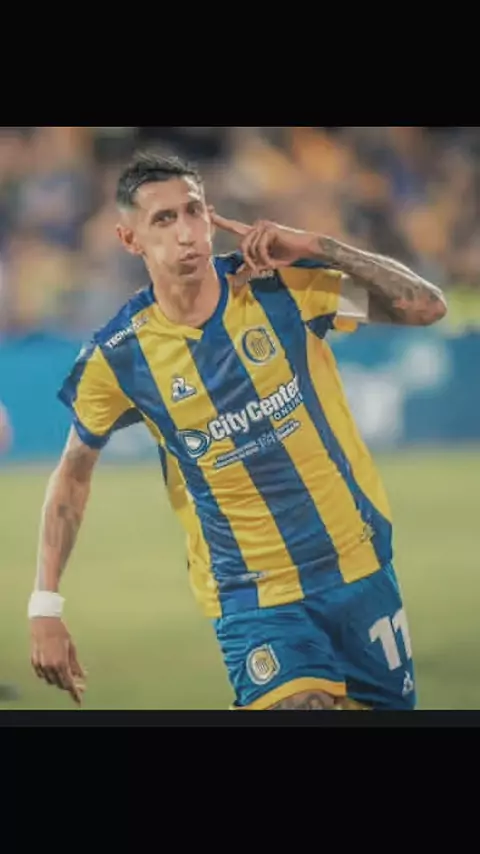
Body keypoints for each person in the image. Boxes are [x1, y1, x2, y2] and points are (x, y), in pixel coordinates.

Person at [28, 151, 447, 711]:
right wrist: (45, 605)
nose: (186, 232)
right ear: (130, 240)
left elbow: (427, 308)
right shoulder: (119, 356)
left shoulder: (283, 289)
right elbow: (72, 475)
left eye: (193, 211)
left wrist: (319, 245)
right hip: (253, 596)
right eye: (163, 219)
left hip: (358, 565)